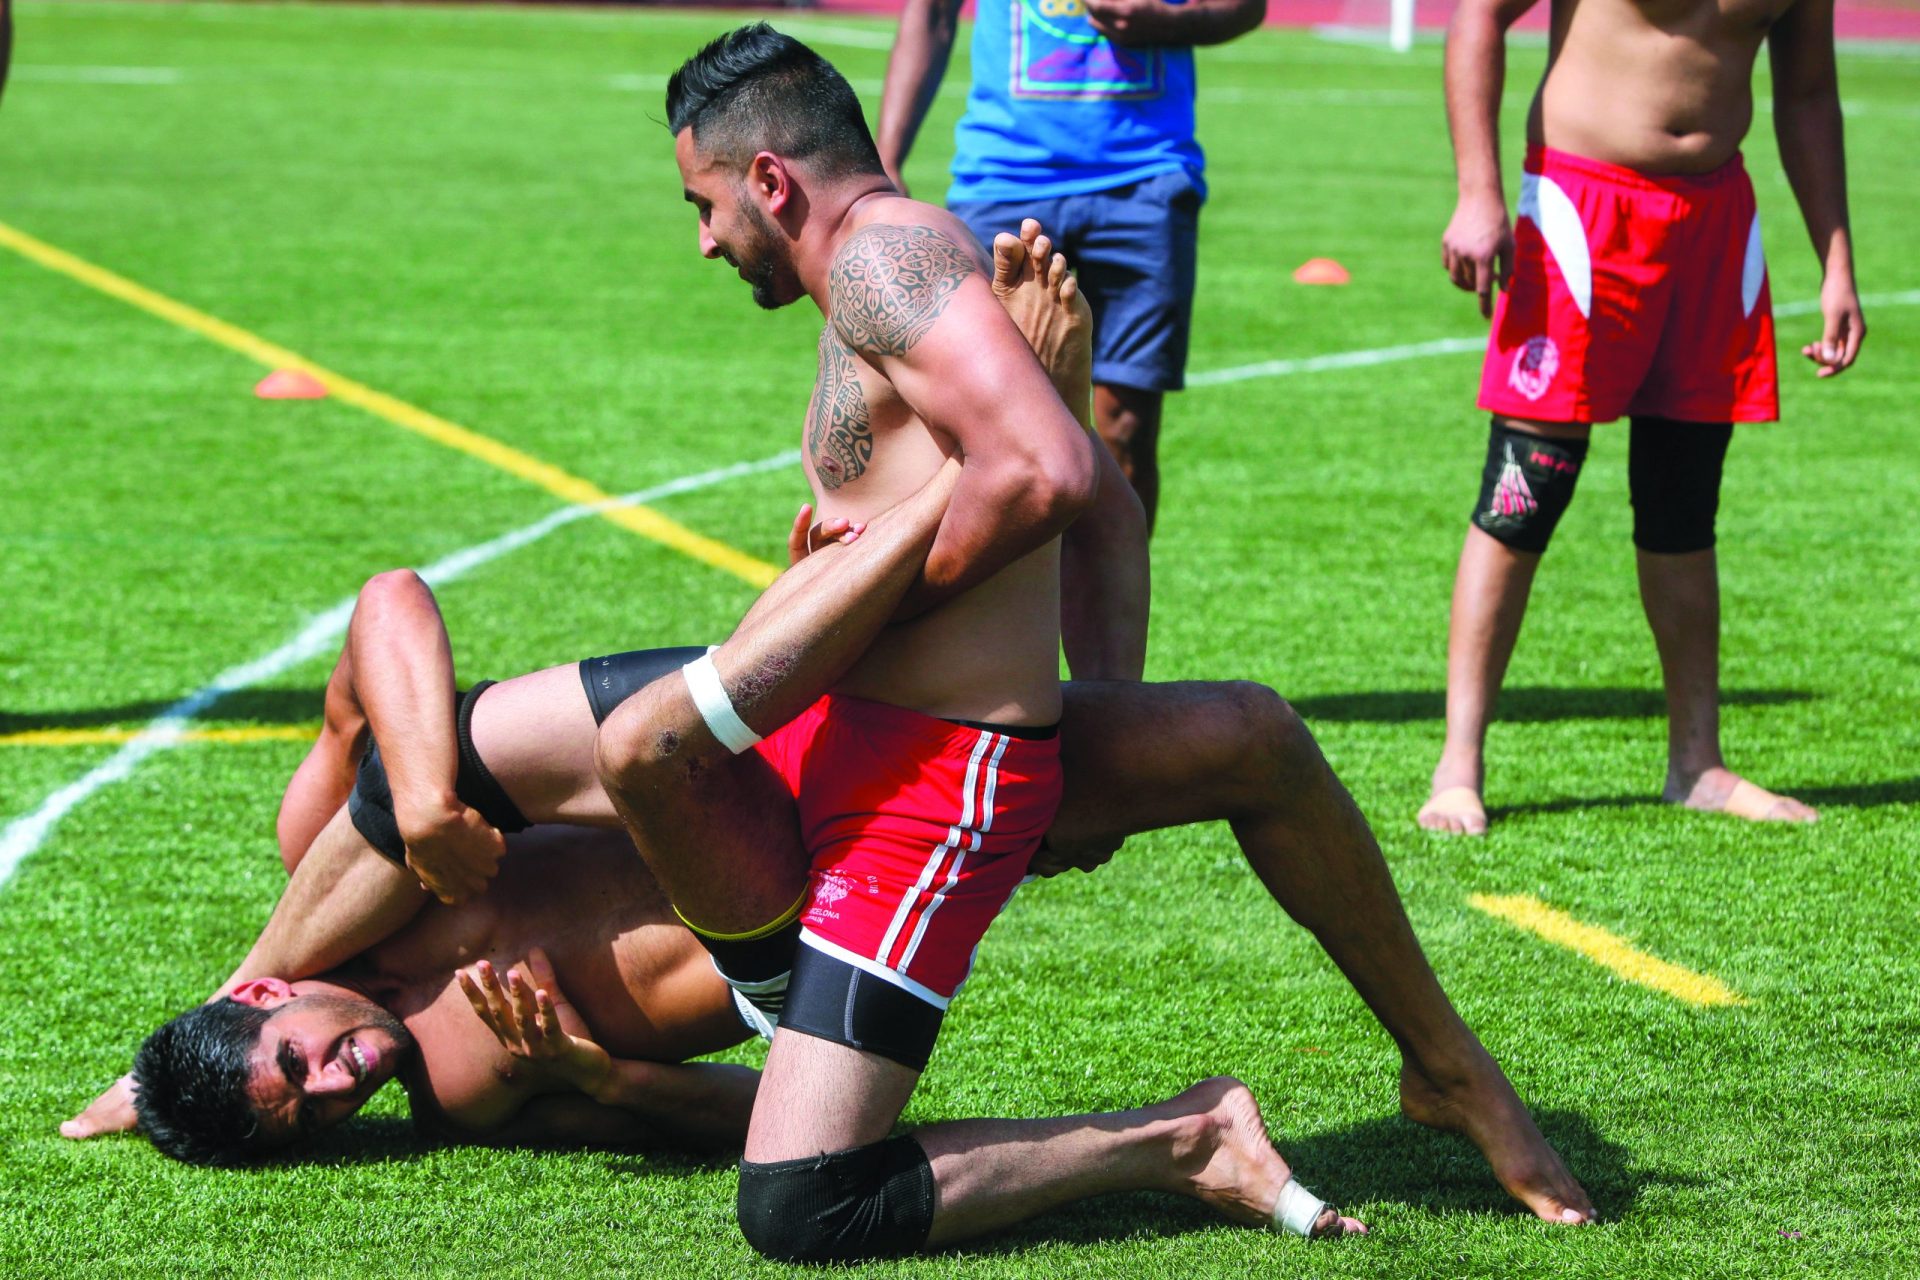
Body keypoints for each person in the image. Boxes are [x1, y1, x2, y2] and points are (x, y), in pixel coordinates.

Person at [72, 226, 1592, 1248]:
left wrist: (416, 785)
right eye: (317, 1123)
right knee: (799, 1157)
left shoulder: (335, 866)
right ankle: (1028, 427)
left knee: (1255, 738)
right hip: (818, 909)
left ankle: (1447, 1066)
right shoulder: (462, 1083)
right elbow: (758, 1107)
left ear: (268, 985)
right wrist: (596, 1087)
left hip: (791, 750)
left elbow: (390, 609)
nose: (346, 1085)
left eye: (299, 1063)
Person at [1419, 0, 1864, 836]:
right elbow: (1477, 17)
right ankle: (1458, 766)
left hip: (1714, 220)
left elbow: (1806, 95)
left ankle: (1697, 764)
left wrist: (1836, 261)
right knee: (1524, 492)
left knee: (1684, 502)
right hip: (1581, 209)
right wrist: (1478, 191)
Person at [876, 0, 1265, 531]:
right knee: (968, 428)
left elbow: (1247, 7)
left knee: (1126, 426)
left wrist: (1169, 21)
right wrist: (889, 157)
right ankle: (997, 613)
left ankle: (1108, 612)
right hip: (1002, 180)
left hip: (1145, 179)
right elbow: (933, 13)